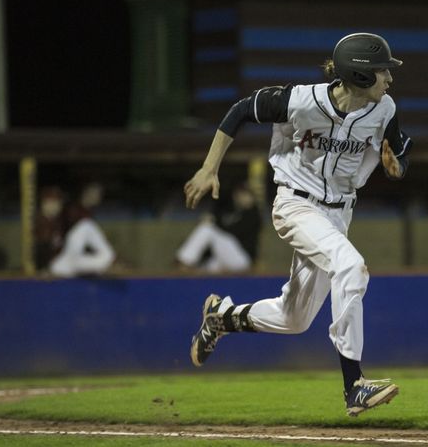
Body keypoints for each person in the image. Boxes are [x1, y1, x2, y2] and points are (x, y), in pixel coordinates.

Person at [183, 33, 413, 416]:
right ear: (358, 75)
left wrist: (397, 166)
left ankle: (220, 317)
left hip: (339, 214)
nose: (388, 78)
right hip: (296, 205)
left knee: (295, 318)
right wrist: (209, 168)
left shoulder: (384, 108)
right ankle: (353, 384)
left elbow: (399, 147)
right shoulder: (301, 101)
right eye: (381, 71)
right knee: (351, 268)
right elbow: (241, 111)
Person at [49, 182, 116, 277]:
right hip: (64, 259)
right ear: (85, 193)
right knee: (86, 225)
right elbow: (60, 239)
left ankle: (107, 261)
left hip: (67, 265)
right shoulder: (72, 210)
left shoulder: (87, 212)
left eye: (98, 194)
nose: (97, 196)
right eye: (94, 193)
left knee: (105, 259)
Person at [175, 211, 252, 273]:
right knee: (203, 271)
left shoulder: (250, 214)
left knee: (206, 228)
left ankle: (184, 262)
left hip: (240, 259)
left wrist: (213, 222)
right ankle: (185, 263)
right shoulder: (228, 209)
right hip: (222, 260)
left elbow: (233, 232)